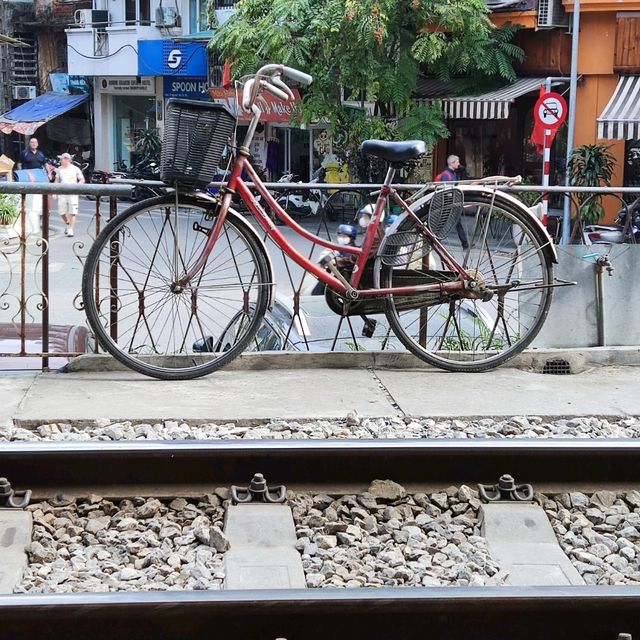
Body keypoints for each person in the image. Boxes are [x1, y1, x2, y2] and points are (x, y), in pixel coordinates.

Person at [435, 154, 469, 250]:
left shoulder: (452, 173)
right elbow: (446, 190)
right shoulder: (447, 174)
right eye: (457, 162)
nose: (458, 164)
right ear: (452, 163)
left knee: (447, 222)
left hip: (451, 201)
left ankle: (465, 244)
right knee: (444, 221)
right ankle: (465, 244)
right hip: (448, 201)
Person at [55, 152, 85, 237]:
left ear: (67, 160)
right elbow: (57, 180)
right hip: (62, 193)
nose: (60, 161)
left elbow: (82, 179)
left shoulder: (75, 169)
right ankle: (67, 223)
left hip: (73, 193)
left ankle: (71, 229)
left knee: (73, 212)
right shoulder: (59, 169)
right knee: (62, 212)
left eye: (61, 159)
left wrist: (77, 187)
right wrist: (54, 190)